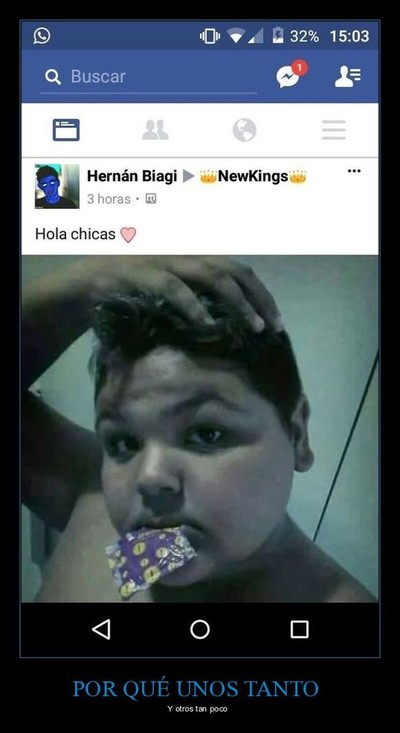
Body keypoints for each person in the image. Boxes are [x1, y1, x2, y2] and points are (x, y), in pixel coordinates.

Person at [22, 256, 376, 602]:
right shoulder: (99, 501)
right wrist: (86, 284)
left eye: (207, 434)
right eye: (124, 442)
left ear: (297, 434)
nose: (150, 477)